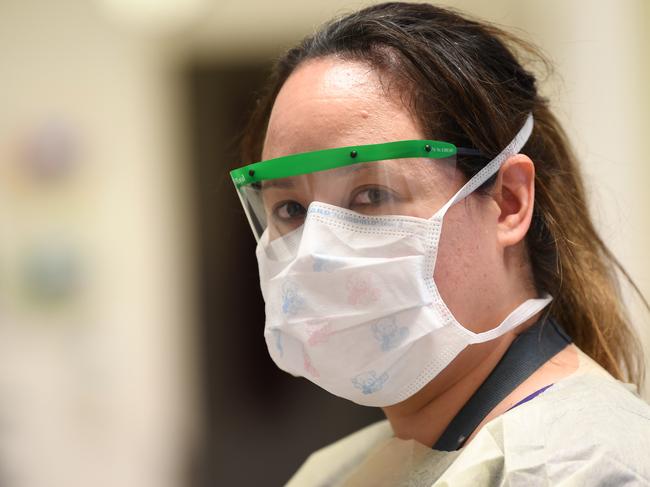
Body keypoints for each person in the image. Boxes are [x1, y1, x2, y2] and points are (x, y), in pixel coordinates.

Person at [230, 2, 650, 485]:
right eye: (290, 210)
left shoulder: (580, 466)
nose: (316, 252)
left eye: (371, 195)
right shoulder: (336, 472)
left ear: (509, 201)